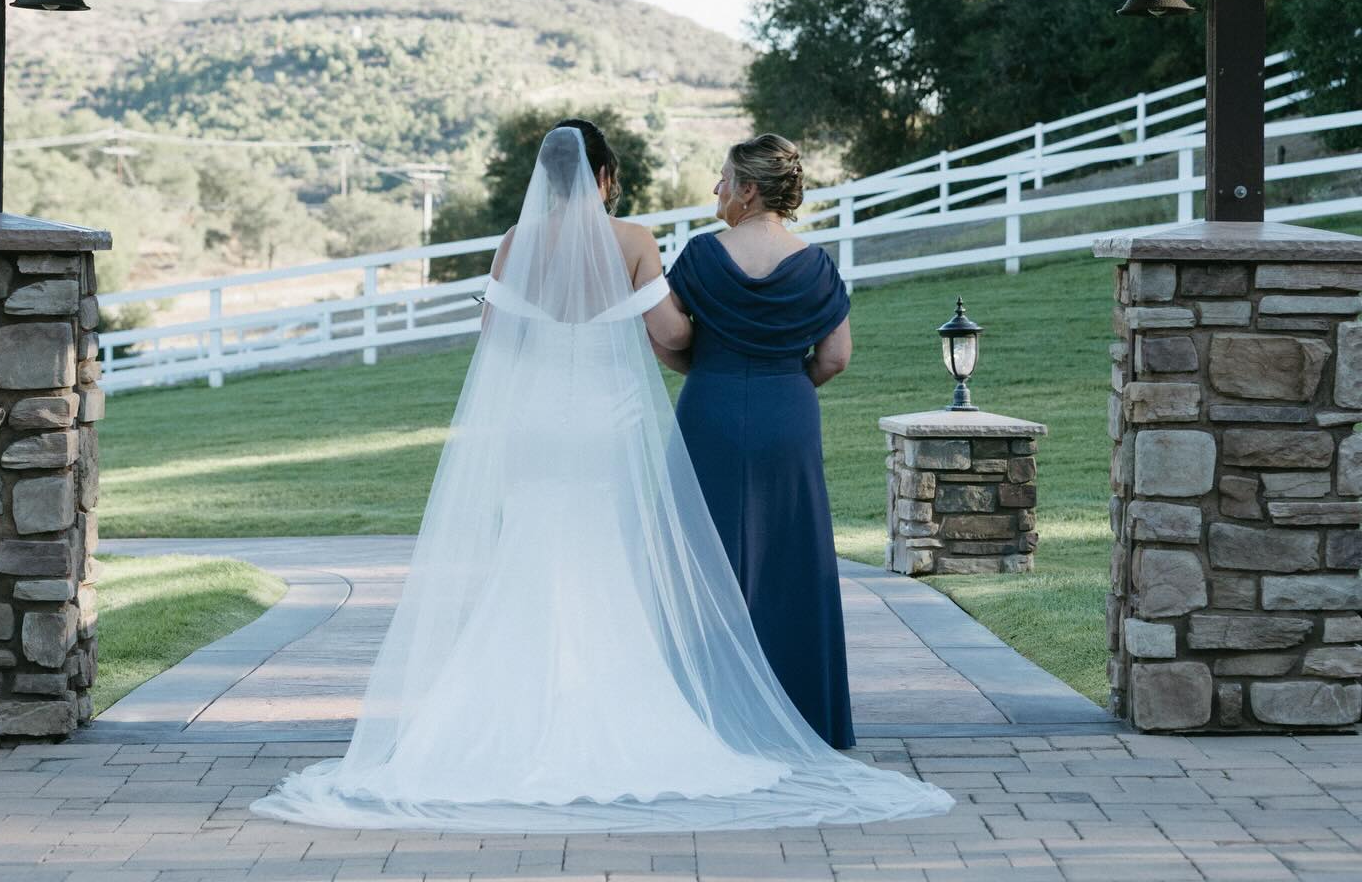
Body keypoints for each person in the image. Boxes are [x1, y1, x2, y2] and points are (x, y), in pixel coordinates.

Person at [250, 122, 951, 832]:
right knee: (611, 561)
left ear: (546, 183)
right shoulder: (635, 242)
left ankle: (503, 717)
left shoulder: (515, 244)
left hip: (538, 424)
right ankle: (630, 704)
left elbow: (499, 336)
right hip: (608, 425)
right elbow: (672, 335)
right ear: (607, 178)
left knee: (529, 558)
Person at [658, 134, 856, 748]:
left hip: (710, 408)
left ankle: (696, 711)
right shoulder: (816, 264)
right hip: (787, 413)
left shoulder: (699, 257)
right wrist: (781, 380)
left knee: (698, 554)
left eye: (723, 178)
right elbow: (836, 357)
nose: (716, 189)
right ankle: (802, 715)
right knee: (792, 558)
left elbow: (670, 341)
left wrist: (715, 372)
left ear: (748, 189)